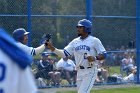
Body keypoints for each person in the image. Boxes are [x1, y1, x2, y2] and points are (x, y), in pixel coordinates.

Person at [46, 19, 107, 93]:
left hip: (90, 71)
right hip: (79, 71)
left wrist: (95, 58)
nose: (78, 29)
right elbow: (64, 54)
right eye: (78, 27)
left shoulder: (94, 40)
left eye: (80, 27)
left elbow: (104, 54)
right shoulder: (75, 41)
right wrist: (53, 48)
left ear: (87, 28)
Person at [0, 29, 37, 93]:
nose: (27, 37)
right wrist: (46, 44)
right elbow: (34, 51)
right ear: (20, 37)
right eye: (25, 36)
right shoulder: (17, 54)